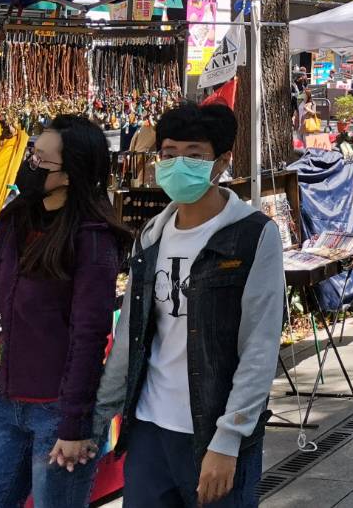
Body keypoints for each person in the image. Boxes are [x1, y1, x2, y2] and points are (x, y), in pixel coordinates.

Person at [93, 103, 285, 508]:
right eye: (168, 153)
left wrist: (229, 437)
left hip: (211, 432)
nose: (178, 164)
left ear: (222, 162)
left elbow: (260, 346)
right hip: (150, 427)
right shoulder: (151, 234)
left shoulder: (252, 236)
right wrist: (98, 416)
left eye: (194, 155)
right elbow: (131, 335)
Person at [0, 116, 127, 508]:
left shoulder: (92, 238)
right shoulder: (15, 220)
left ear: (70, 174)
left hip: (60, 412)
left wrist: (75, 424)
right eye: (32, 154)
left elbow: (89, 336)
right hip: (8, 404)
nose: (31, 165)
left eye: (41, 160)